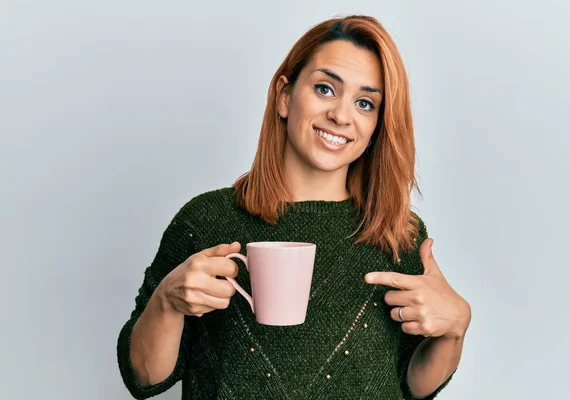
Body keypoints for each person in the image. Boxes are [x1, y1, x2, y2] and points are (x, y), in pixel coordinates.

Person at [117, 14, 471, 400]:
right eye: (324, 89)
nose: (341, 115)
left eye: (365, 103)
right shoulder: (205, 221)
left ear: (376, 127)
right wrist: (167, 302)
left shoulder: (397, 233)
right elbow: (144, 377)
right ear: (285, 96)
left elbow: (413, 385)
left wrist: (455, 328)